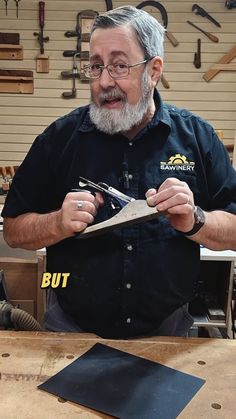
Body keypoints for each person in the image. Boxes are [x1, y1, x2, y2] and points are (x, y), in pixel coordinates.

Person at [2, 5, 236, 338]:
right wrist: (56, 223)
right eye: (95, 66)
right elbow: (12, 230)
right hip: (72, 326)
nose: (103, 81)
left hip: (166, 328)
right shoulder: (58, 140)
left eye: (119, 65)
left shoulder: (198, 138)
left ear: (154, 70)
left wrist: (195, 219)